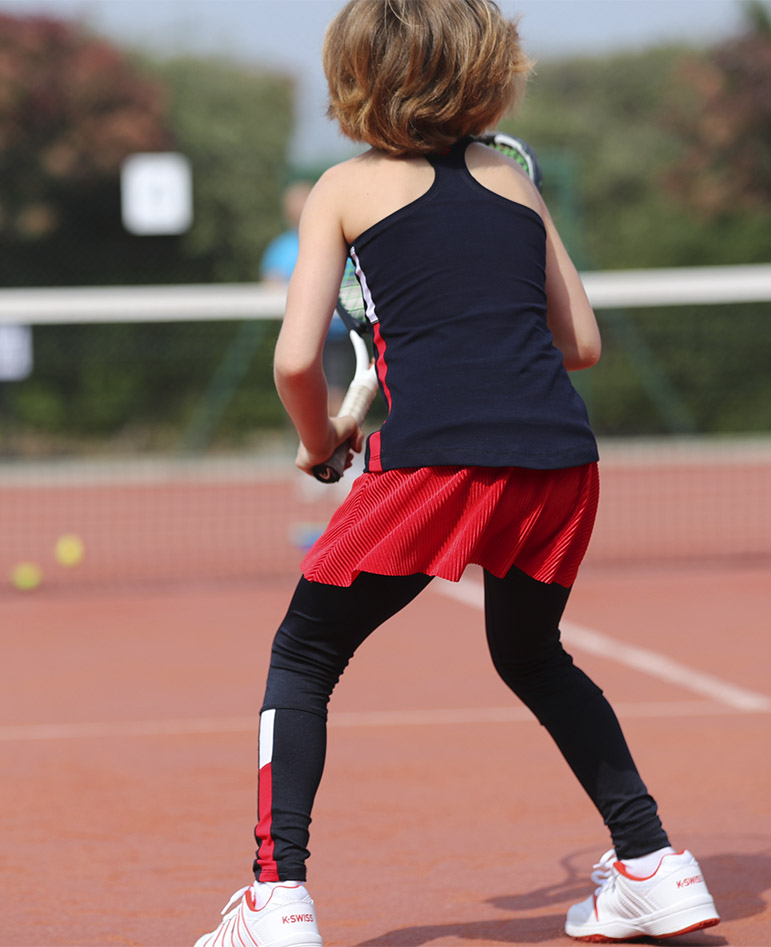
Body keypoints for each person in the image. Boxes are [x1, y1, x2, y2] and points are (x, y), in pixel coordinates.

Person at [194, 2, 720, 945]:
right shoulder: (513, 179)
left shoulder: (342, 188)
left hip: (436, 465)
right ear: (488, 71)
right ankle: (653, 863)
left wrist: (322, 436)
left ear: (356, 74)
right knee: (533, 655)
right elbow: (582, 344)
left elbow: (294, 361)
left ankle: (276, 896)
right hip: (562, 460)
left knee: (304, 656)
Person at [261, 180, 351, 414]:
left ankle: (335, 436)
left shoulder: (339, 242)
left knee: (335, 396)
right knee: (298, 399)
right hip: (299, 333)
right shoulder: (280, 248)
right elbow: (271, 286)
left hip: (336, 333)